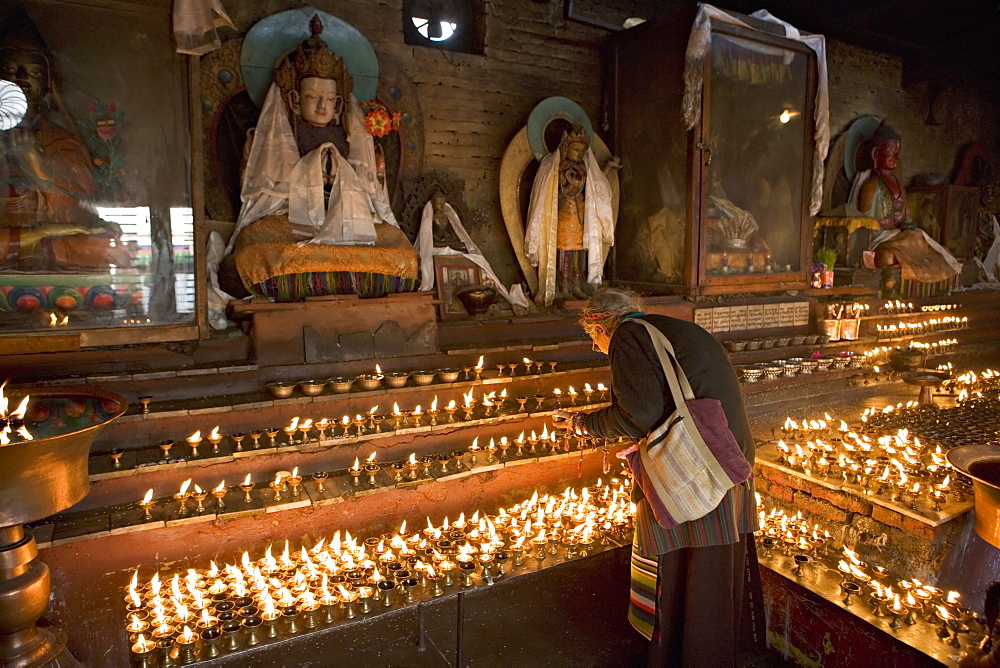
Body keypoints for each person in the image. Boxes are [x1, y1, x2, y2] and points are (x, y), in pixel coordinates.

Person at [553, 288, 764, 666]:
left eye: (594, 341)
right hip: (725, 463)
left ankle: (680, 656)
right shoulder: (672, 329)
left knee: (684, 573)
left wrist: (584, 423)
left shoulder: (628, 336)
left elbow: (640, 413)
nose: (599, 349)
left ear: (599, 325)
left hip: (696, 471)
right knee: (713, 577)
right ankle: (709, 654)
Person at [222, 15, 417, 297]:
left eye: (329, 99)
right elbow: (262, 195)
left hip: (347, 218)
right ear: (294, 101)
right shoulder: (279, 135)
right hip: (291, 221)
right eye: (313, 97)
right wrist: (310, 173)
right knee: (256, 246)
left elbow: (369, 195)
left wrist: (340, 178)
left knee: (398, 246)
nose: (322, 106)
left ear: (339, 103)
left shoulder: (349, 136)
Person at [0, 15, 131, 270]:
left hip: (54, 238)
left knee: (101, 243)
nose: (22, 76)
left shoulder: (59, 138)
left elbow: (78, 202)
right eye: (8, 69)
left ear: (47, 85)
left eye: (35, 71)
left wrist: (39, 167)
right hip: (8, 234)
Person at [847, 121, 960, 284]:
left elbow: (905, 217)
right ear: (875, 154)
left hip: (902, 238)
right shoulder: (871, 186)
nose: (896, 157)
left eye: (898, 152)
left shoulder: (898, 184)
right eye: (891, 152)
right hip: (881, 239)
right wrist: (889, 228)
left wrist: (907, 225)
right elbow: (865, 226)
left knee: (937, 252)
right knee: (887, 257)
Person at [524, 120, 619, 305]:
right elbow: (550, 191)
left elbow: (596, 186)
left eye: (583, 151)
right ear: (565, 147)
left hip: (581, 214)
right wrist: (569, 185)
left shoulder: (584, 168)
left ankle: (577, 283)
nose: (580, 154)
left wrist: (607, 168)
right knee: (564, 250)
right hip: (563, 214)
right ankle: (562, 284)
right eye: (576, 150)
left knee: (580, 250)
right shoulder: (556, 167)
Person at [413, 189, 528, 308]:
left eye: (443, 203)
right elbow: (428, 235)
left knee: (462, 247)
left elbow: (454, 232)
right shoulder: (431, 217)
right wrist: (440, 239)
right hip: (436, 242)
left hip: (448, 241)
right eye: (438, 204)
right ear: (433, 204)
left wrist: (448, 238)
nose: (441, 206)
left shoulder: (448, 216)